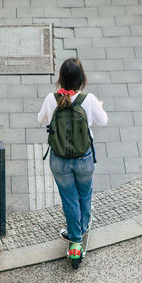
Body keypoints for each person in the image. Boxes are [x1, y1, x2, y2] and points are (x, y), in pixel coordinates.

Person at [38, 58, 108, 245]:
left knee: (69, 198)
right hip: (84, 158)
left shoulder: (51, 99)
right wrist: (98, 108)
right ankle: (83, 227)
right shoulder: (89, 99)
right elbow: (104, 121)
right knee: (85, 193)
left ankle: (75, 237)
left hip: (59, 160)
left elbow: (41, 120)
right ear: (82, 79)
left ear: (60, 78)